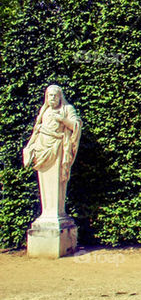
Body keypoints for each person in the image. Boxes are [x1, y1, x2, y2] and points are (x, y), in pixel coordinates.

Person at [22, 84, 82, 222]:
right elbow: (37, 130)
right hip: (42, 148)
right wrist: (30, 146)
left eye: (55, 95)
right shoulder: (44, 111)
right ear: (46, 97)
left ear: (60, 97)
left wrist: (62, 119)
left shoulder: (67, 109)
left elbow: (76, 125)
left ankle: (57, 213)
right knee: (44, 181)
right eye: (50, 95)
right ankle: (47, 213)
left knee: (57, 180)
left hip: (58, 148)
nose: (52, 98)